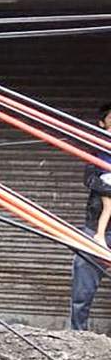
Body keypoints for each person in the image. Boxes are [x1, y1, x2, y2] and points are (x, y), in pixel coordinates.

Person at [68, 102, 111, 331]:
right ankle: (77, 337)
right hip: (95, 228)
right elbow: (90, 180)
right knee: (82, 288)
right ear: (102, 124)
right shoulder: (97, 149)